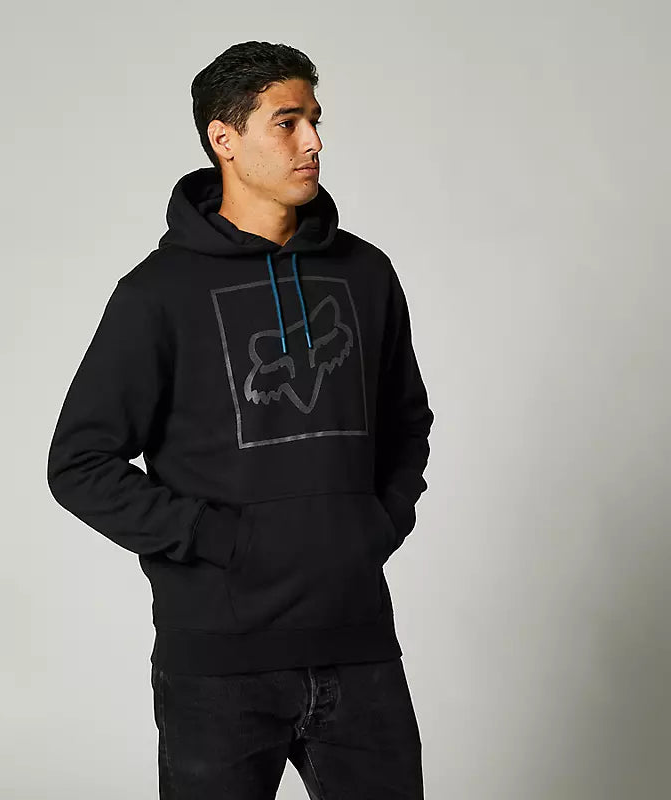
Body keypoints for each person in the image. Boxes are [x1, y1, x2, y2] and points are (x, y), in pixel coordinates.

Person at [47, 40, 434, 799]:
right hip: (217, 666)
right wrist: (220, 540)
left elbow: (406, 420)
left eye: (315, 120)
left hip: (358, 647)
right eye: (287, 123)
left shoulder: (366, 273)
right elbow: (79, 465)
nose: (313, 142)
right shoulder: (157, 294)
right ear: (223, 139)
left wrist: (373, 526)